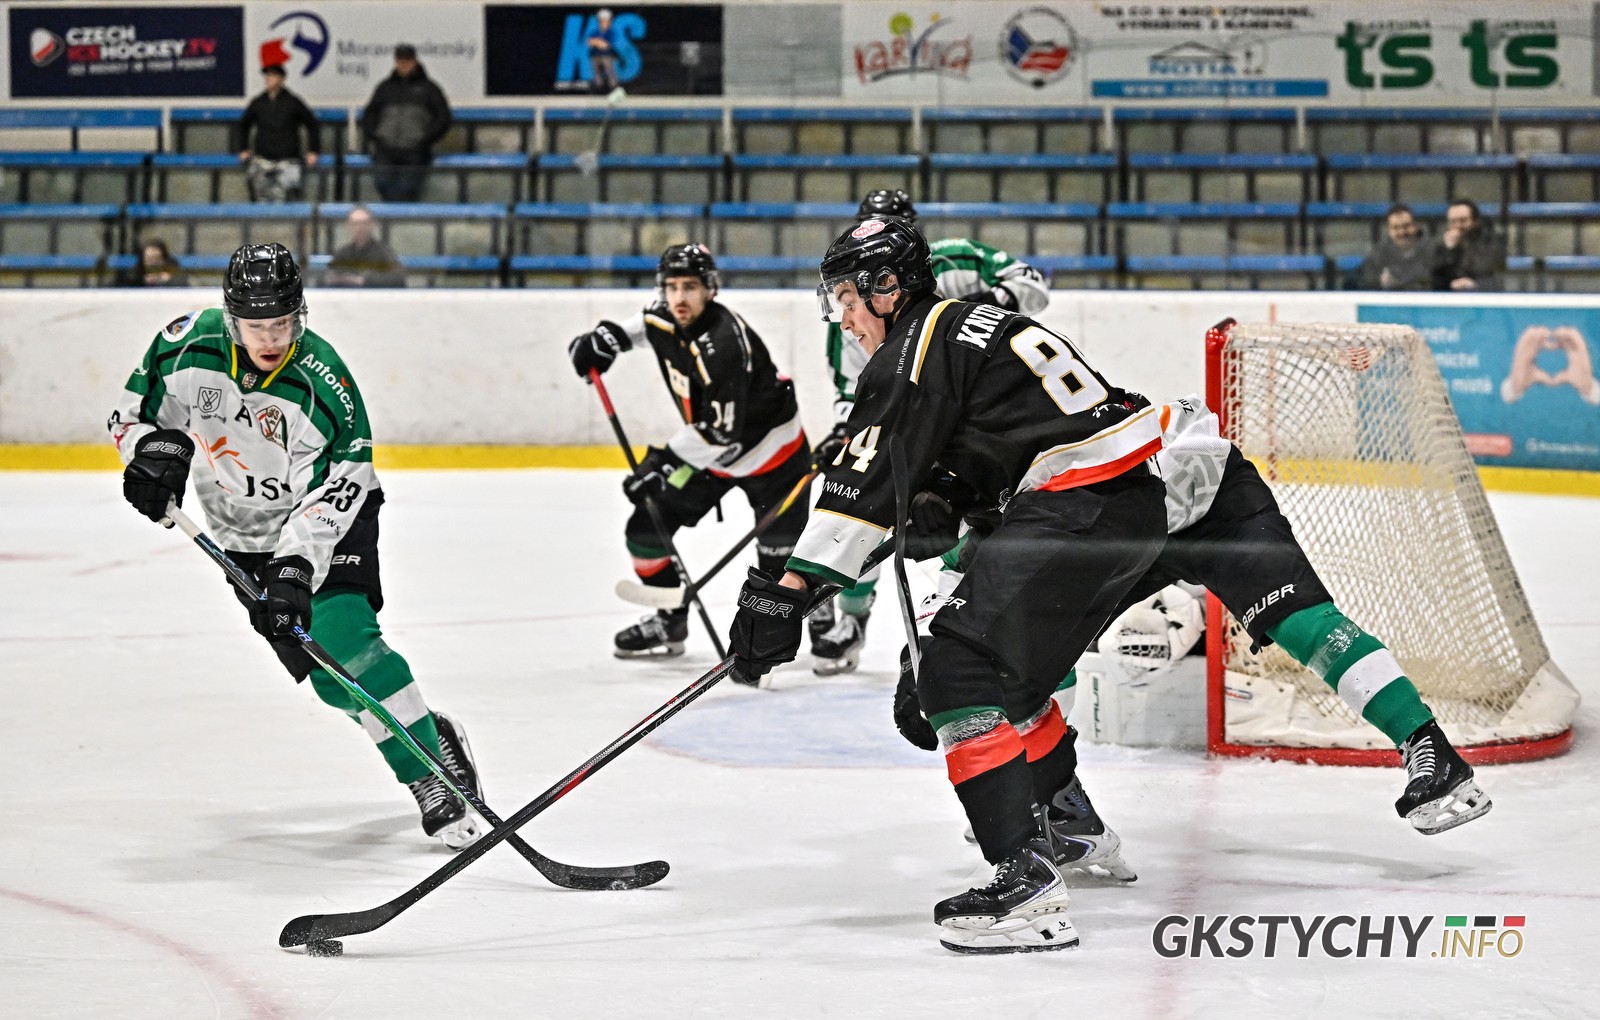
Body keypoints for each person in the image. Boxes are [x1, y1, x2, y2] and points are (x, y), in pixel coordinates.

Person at [728, 217, 1169, 954]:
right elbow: (996, 444)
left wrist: (789, 592)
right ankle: (1070, 827)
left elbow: (859, 490)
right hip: (1130, 507)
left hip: (1077, 506)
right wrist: (942, 497)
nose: (843, 317)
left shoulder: (910, 349)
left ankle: (1024, 885)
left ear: (887, 287)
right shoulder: (964, 326)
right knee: (1011, 680)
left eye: (849, 297)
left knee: (954, 670)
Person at [897, 383, 1493, 841]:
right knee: (1019, 656)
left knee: (1301, 622)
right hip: (1120, 528)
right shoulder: (986, 498)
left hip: (1208, 504)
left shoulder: (1023, 447)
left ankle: (1431, 750)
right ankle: (1060, 805)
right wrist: (920, 663)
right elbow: (960, 595)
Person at [106, 242, 483, 851]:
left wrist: (295, 568)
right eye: (258, 326)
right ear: (231, 318)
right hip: (239, 535)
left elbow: (342, 479)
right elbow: (133, 414)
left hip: (329, 519)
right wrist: (151, 453)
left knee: (346, 642)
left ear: (299, 313)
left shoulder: (323, 379)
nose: (272, 338)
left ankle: (430, 777)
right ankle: (429, 732)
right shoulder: (184, 345)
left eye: (282, 322)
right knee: (330, 677)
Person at [807, 189, 1050, 677]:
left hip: (978, 417)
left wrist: (987, 303)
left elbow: (1034, 284)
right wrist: (847, 430)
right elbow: (854, 389)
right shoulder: (853, 306)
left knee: (959, 516)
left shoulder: (958, 258)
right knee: (875, 502)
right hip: (918, 419)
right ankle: (856, 620)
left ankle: (972, 614)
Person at [568, 244, 814, 660]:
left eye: (691, 287)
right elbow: (645, 325)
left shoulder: (724, 344)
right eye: (672, 287)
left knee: (780, 570)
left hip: (776, 461)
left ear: (710, 289)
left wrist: (663, 463)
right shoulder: (666, 315)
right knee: (646, 529)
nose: (679, 298)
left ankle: (796, 635)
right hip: (713, 460)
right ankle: (670, 622)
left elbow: (721, 431)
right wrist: (607, 339)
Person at [361, 44, 453, 203]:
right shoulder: (385, 88)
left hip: (415, 151)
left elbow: (443, 118)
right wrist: (376, 137)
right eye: (400, 61)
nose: (403, 65)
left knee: (408, 187)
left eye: (407, 61)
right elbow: (369, 114)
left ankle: (398, 217)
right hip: (385, 149)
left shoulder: (430, 89)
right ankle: (391, 215)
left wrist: (424, 139)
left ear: (415, 61)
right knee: (382, 182)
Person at [237, 63, 320, 203]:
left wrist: (313, 150)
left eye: (273, 75)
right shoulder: (258, 102)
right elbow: (244, 125)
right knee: (259, 200)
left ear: (282, 79)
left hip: (288, 160)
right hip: (262, 160)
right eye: (267, 75)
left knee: (290, 200)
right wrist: (243, 148)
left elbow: (312, 124)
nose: (268, 78)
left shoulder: (293, 102)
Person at [1432, 198, 1506, 292]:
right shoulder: (1439, 245)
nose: (1458, 226)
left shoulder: (1490, 243)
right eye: (1453, 221)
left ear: (1476, 221)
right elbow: (1433, 277)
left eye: (1463, 221)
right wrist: (1450, 251)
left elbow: (1489, 272)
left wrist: (1473, 284)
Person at [325, 205, 406, 288]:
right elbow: (325, 277)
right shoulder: (342, 253)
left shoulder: (384, 252)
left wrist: (363, 280)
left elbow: (398, 279)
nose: (360, 228)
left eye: (364, 223)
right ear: (348, 226)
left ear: (372, 225)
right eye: (355, 224)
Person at [1356, 204, 1431, 291]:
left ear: (1415, 226)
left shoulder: (1432, 249)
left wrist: (1398, 283)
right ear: (1389, 230)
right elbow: (1367, 280)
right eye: (1396, 227)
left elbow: (1432, 279)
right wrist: (1379, 282)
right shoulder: (1378, 252)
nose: (1401, 232)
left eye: (1406, 226)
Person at [120, 239, 190, 288]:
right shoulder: (135, 274)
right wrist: (142, 281)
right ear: (143, 261)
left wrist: (168, 281)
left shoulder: (173, 273)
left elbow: (185, 287)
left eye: (157, 259)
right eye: (149, 259)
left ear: (164, 260)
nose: (153, 263)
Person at [587, 9, 620, 94]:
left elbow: (606, 45)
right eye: (602, 20)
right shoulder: (595, 32)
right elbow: (589, 42)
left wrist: (596, 42)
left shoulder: (611, 32)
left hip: (606, 56)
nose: (605, 22)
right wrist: (598, 42)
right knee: (596, 72)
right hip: (595, 55)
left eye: (607, 21)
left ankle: (613, 89)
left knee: (609, 71)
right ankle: (598, 88)